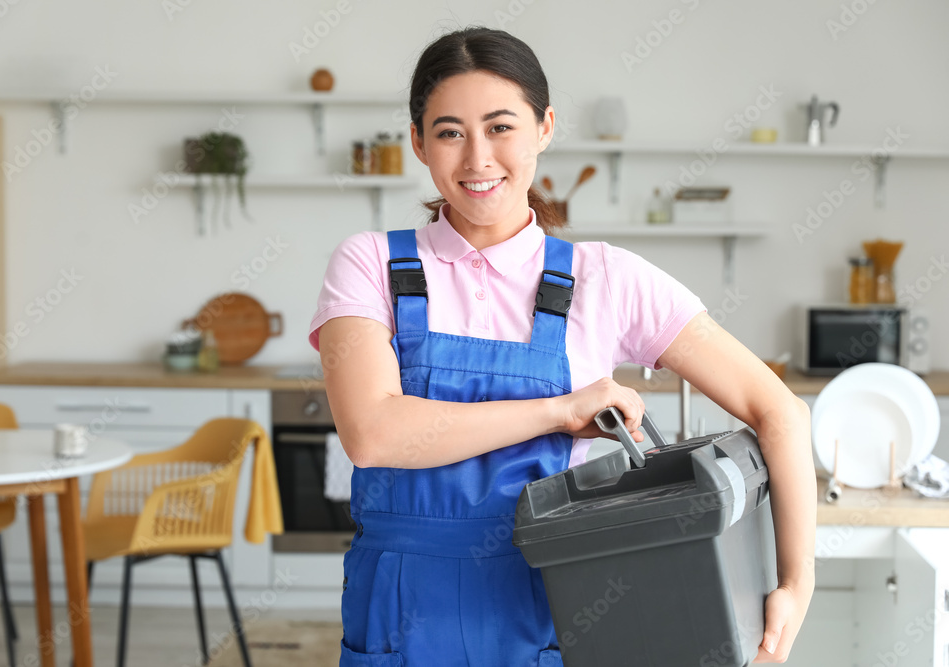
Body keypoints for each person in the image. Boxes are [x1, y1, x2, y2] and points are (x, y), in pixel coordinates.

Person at [309, 26, 816, 666]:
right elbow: (375, 433)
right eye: (449, 131)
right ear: (418, 142)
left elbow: (781, 412)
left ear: (544, 127)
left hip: (557, 603)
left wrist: (797, 582)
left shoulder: (607, 278)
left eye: (500, 127)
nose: (477, 158)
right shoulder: (370, 263)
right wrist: (558, 411)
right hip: (402, 614)